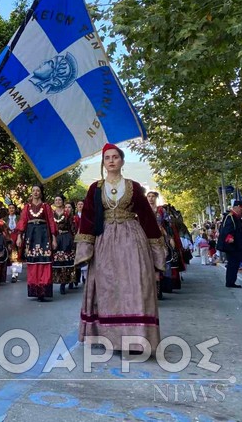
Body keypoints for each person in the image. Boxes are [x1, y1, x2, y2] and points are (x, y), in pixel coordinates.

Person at [74, 143, 166, 353]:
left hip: (132, 240)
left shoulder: (133, 186)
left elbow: (147, 218)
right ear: (104, 163)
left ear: (122, 161)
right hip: (105, 240)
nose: (112, 160)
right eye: (107, 158)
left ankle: (137, 337)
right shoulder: (95, 188)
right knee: (108, 286)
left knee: (135, 284)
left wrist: (157, 252)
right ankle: (110, 337)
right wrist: (85, 250)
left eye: (115, 157)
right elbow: (87, 219)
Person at [16, 184, 57, 301]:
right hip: (31, 236)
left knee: (45, 262)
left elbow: (51, 221)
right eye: (33, 190)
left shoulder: (46, 206)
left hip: (44, 236)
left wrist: (54, 238)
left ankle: (43, 290)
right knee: (33, 263)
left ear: (41, 193)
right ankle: (35, 289)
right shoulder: (26, 207)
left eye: (37, 190)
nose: (35, 192)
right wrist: (19, 236)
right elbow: (23, 221)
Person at [219, 200, 242, 287]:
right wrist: (230, 238)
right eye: (241, 209)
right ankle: (230, 282)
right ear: (236, 207)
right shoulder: (230, 217)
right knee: (233, 264)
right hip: (233, 246)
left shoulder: (240, 219)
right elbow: (226, 231)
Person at [52, 194, 76, 295]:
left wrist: (75, 239)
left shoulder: (67, 213)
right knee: (57, 261)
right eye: (56, 200)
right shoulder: (51, 214)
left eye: (59, 200)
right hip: (56, 238)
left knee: (67, 260)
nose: (57, 201)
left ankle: (66, 282)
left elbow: (72, 227)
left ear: (63, 201)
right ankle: (59, 280)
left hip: (66, 238)